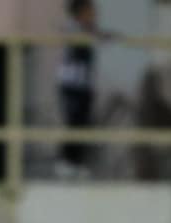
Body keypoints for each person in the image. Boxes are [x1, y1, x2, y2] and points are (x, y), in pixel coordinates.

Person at [57, 0, 101, 178]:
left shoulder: (87, 28)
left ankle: (77, 162)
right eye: (90, 11)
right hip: (72, 83)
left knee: (83, 122)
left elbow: (98, 36)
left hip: (85, 83)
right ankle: (66, 162)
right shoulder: (73, 27)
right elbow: (76, 40)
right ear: (81, 12)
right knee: (74, 122)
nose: (94, 14)